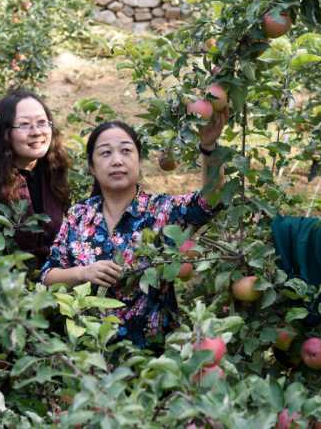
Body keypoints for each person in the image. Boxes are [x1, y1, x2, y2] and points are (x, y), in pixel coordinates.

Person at [41, 112, 227, 348]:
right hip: (88, 357)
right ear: (92, 168)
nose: (117, 160)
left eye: (126, 151)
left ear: (139, 162)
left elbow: (210, 201)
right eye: (105, 153)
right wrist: (83, 273)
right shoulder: (79, 215)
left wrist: (209, 147)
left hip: (151, 360)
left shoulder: (161, 211)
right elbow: (48, 276)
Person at [0, 89, 71, 267]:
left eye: (42, 123)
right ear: (5, 133)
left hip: (56, 283)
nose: (36, 132)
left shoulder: (53, 171)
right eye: (24, 125)